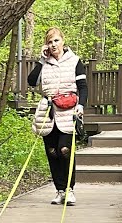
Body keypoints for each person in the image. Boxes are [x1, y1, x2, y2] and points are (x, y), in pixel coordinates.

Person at [27, 27, 88, 206]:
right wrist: (41, 60)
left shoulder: (75, 61)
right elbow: (31, 81)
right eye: (50, 42)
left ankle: (70, 189)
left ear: (63, 41)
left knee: (65, 150)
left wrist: (81, 106)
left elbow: (83, 87)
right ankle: (60, 190)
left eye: (56, 41)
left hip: (68, 110)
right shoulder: (44, 62)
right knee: (52, 152)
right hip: (48, 111)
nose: (53, 45)